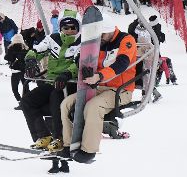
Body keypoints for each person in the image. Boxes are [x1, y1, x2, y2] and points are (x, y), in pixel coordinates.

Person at [56, 21, 138, 166]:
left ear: (110, 30)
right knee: (66, 104)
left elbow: (121, 64)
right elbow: (85, 57)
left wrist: (99, 76)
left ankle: (89, 150)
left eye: (102, 34)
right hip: (99, 86)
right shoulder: (99, 42)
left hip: (120, 89)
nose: (100, 38)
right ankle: (69, 145)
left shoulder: (126, 40)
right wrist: (83, 66)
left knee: (93, 106)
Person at [21, 16, 80, 150]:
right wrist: (31, 60)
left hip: (69, 83)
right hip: (51, 81)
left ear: (78, 28)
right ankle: (43, 136)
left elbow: (80, 62)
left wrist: (67, 74)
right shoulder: (53, 39)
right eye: (66, 27)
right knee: (27, 101)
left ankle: (59, 138)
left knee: (55, 98)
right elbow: (36, 50)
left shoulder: (81, 42)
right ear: (61, 28)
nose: (69, 30)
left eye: (73, 28)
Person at [3, 33, 30, 105]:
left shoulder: (11, 48)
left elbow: (7, 57)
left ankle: (20, 101)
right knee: (26, 87)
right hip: (24, 70)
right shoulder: (25, 48)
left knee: (14, 88)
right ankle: (27, 102)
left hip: (15, 71)